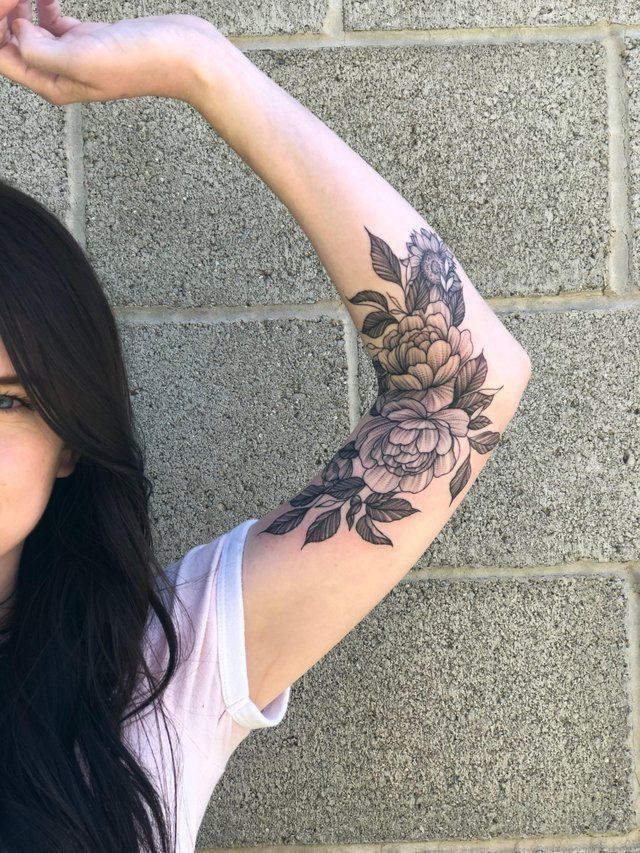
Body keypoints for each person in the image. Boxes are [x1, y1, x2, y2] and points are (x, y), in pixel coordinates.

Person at [0, 3, 533, 851]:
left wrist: (205, 72)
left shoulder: (154, 676)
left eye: (8, 400)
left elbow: (465, 388)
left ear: (69, 437)